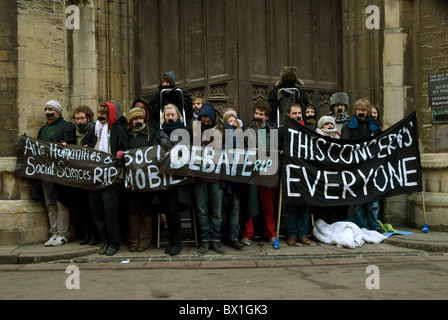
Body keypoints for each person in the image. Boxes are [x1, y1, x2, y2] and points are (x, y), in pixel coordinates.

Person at [88, 101, 129, 256]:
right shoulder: (95, 131)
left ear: (110, 115)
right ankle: (105, 240)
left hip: (112, 178)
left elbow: (124, 149)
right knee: (96, 209)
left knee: (110, 210)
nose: (100, 116)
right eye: (99, 113)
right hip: (95, 177)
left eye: (103, 114)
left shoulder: (118, 130)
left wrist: (121, 155)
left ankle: (114, 242)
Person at [341, 98, 385, 234]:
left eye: (363, 110)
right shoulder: (348, 127)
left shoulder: (375, 128)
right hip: (356, 168)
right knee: (358, 199)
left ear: (368, 112)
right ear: (355, 111)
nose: (361, 112)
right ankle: (361, 225)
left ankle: (374, 224)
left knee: (373, 200)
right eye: (359, 110)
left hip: (372, 168)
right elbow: (344, 147)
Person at [154, 104, 192, 255]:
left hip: (179, 178)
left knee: (173, 209)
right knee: (168, 211)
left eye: (172, 115)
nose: (170, 117)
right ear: (164, 117)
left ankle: (177, 242)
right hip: (164, 177)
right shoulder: (159, 133)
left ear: (178, 116)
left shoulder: (185, 132)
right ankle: (172, 241)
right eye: (167, 115)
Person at [38, 99, 76, 246]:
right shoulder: (43, 129)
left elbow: (72, 146)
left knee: (61, 202)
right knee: (50, 203)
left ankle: (62, 233)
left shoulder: (67, 127)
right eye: (46, 109)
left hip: (60, 172)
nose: (47, 112)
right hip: (44, 171)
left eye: (50, 109)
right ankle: (53, 232)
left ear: (58, 111)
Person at [241, 100, 277, 246]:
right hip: (251, 174)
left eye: (261, 114)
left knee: (269, 207)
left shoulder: (272, 132)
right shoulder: (247, 131)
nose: (257, 116)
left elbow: (275, 151)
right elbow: (240, 151)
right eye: (256, 113)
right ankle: (247, 235)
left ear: (267, 117)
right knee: (249, 205)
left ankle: (270, 233)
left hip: (267, 174)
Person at [192, 102, 226, 254]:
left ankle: (216, 239)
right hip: (199, 178)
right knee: (202, 210)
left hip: (217, 178)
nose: (205, 121)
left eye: (207, 118)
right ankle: (205, 239)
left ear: (212, 118)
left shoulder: (223, 130)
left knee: (217, 211)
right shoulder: (194, 130)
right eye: (202, 118)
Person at [126, 106, 160, 252]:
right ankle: (134, 240)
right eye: (135, 119)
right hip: (132, 178)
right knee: (133, 211)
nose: (138, 121)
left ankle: (145, 240)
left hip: (147, 178)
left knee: (146, 211)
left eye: (141, 118)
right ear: (131, 121)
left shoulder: (151, 133)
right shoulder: (126, 135)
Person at [278, 103, 312, 245]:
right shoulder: (280, 131)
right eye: (294, 113)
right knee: (291, 204)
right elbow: (275, 149)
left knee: (304, 203)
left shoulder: (308, 130)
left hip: (304, 172)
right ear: (288, 115)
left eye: (299, 113)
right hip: (288, 172)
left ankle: (303, 233)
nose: (297, 116)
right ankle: (291, 234)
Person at [72, 105, 100, 245]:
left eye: (82, 118)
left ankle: (95, 235)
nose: (79, 121)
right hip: (78, 175)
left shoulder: (94, 130)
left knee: (93, 207)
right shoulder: (74, 132)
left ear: (88, 118)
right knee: (82, 208)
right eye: (77, 118)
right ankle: (87, 234)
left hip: (91, 175)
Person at [313, 115, 349, 224]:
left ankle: (335, 222)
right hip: (321, 174)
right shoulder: (316, 137)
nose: (329, 126)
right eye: (326, 124)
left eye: (331, 124)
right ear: (321, 126)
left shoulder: (338, 137)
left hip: (335, 174)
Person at [222, 108, 245, 250]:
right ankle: (223, 236)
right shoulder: (220, 134)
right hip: (223, 178)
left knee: (235, 208)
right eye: (229, 121)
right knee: (223, 209)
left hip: (236, 179)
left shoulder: (241, 134)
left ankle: (234, 237)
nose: (232, 123)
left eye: (234, 121)